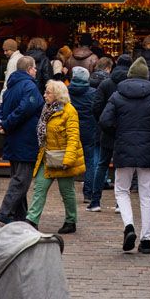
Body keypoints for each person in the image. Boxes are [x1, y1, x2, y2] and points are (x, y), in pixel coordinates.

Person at [99, 57, 150, 254]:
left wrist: (118, 133)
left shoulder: (117, 95)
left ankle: (129, 225)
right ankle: (146, 239)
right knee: (147, 194)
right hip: (147, 146)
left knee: (122, 190)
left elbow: (105, 120)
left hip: (123, 145)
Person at [26, 79, 84, 234]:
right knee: (40, 187)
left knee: (67, 192)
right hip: (47, 156)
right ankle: (32, 220)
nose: (45, 95)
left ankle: (71, 220)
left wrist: (69, 159)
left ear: (57, 95)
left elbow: (73, 137)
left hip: (62, 158)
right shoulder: (47, 109)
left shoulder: (69, 111)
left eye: (48, 92)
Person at [0, 55, 43, 225]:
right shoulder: (30, 87)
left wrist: (0, 124)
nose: (36, 70)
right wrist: (5, 125)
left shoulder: (10, 87)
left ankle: (20, 216)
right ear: (29, 69)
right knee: (21, 180)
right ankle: (5, 212)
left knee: (17, 176)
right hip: (25, 139)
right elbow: (24, 109)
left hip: (13, 139)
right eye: (34, 67)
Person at [88, 53, 132, 212]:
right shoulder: (131, 84)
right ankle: (120, 204)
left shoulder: (106, 84)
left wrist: (103, 122)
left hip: (106, 129)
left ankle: (95, 202)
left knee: (102, 164)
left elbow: (96, 106)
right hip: (125, 130)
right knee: (122, 167)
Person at [68, 66, 98, 205]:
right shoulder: (93, 93)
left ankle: (68, 191)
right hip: (88, 130)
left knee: (68, 159)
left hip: (70, 129)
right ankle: (88, 193)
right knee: (90, 161)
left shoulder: (67, 92)